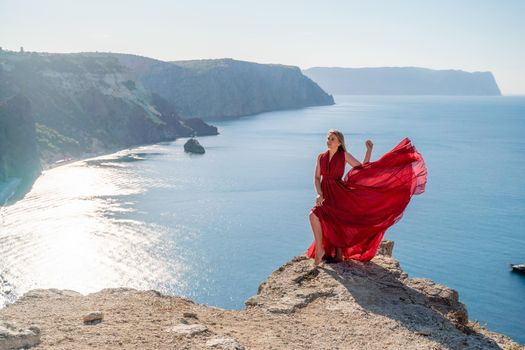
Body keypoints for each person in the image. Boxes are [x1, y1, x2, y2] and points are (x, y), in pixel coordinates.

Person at [307, 129, 428, 266]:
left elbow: (363, 170)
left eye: (332, 139)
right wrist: (319, 193)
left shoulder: (344, 155)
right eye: (328, 138)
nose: (329, 141)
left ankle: (332, 254)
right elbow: (317, 178)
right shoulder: (321, 157)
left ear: (340, 142)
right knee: (314, 215)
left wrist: (368, 151)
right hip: (325, 194)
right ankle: (320, 249)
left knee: (337, 222)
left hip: (339, 193)